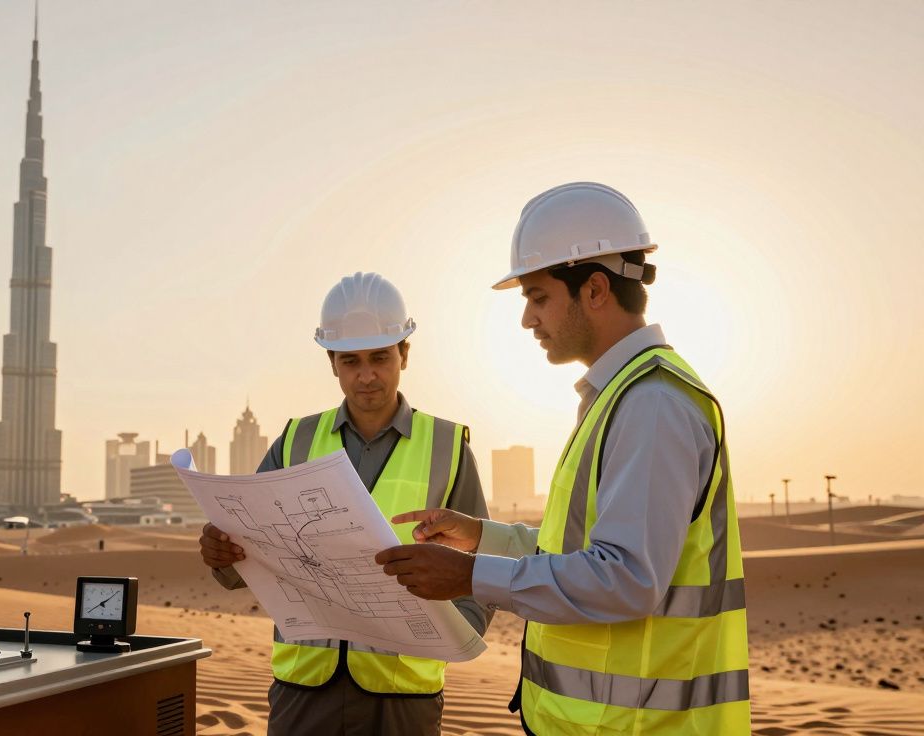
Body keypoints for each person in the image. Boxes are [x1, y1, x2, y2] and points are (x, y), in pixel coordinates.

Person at [375, 183, 750, 734]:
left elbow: (625, 578)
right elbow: (581, 550)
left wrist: (471, 576)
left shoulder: (652, 405)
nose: (528, 319)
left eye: (538, 296)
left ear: (595, 289)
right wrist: (483, 538)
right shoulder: (621, 396)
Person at [200, 272, 492, 736]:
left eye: (380, 357)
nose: (367, 375)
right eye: (350, 361)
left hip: (403, 694)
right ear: (332, 363)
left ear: (404, 354)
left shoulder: (448, 447)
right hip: (304, 690)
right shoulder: (293, 442)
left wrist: (457, 634)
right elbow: (248, 553)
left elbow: (482, 558)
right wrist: (222, 554)